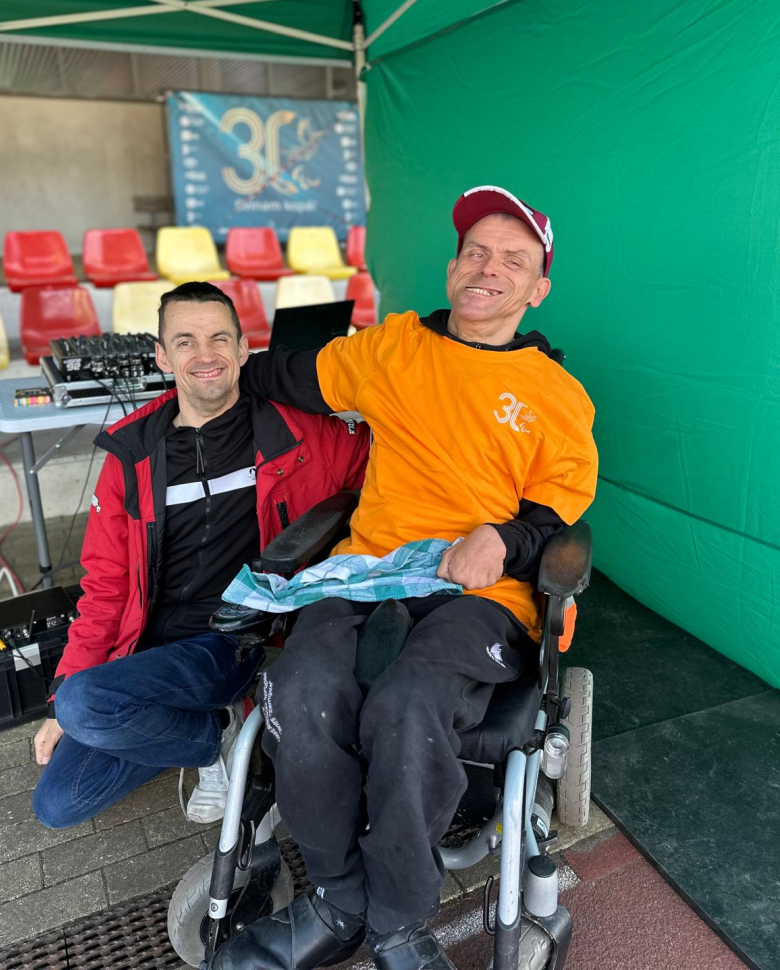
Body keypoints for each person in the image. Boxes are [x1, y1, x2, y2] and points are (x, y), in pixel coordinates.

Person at [211, 186, 599, 970]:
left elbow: (557, 512)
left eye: (512, 260)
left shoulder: (556, 395)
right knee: (302, 688)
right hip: (368, 574)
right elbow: (289, 375)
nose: (488, 269)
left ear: (538, 288)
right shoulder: (392, 350)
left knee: (409, 703)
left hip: (482, 596)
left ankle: (397, 919)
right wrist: (211, 372)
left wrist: (503, 538)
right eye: (476, 253)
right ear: (453, 268)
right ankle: (337, 898)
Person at [31, 282, 369, 829]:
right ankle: (214, 735)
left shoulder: (301, 433)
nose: (205, 355)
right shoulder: (132, 453)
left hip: (232, 641)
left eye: (219, 339)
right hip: (149, 649)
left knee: (85, 706)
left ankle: (195, 729)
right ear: (163, 357)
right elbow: (106, 586)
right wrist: (67, 689)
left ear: (243, 349)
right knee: (58, 800)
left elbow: (386, 465)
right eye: (185, 341)